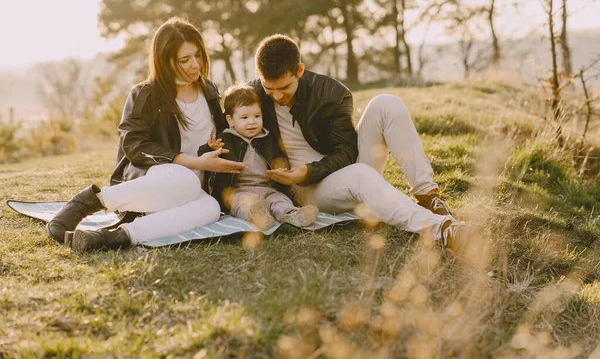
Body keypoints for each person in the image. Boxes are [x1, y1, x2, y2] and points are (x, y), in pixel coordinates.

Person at [248, 34, 467, 250]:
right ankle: (443, 229)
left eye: (284, 88)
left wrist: (309, 170)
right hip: (303, 190)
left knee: (386, 103)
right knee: (361, 174)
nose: (277, 96)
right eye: (270, 89)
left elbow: (347, 151)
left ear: (300, 71)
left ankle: (427, 196)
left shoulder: (331, 93)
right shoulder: (253, 95)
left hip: (336, 169)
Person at [46, 17, 247, 252]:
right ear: (165, 61)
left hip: (189, 193)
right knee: (186, 179)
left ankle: (111, 238)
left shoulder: (209, 91)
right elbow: (133, 144)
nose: (195, 64)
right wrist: (195, 162)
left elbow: (219, 136)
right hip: (152, 183)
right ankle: (90, 202)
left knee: (211, 208)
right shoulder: (145, 94)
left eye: (198, 55)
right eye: (185, 59)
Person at [199, 84, 319, 230]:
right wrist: (210, 149)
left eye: (257, 116)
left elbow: (279, 157)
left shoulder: (268, 138)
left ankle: (292, 214)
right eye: (244, 117)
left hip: (266, 188)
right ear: (230, 120)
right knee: (242, 203)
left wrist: (282, 168)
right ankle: (257, 216)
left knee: (279, 200)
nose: (252, 121)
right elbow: (203, 158)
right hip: (237, 191)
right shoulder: (224, 140)